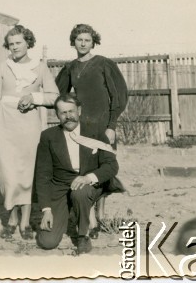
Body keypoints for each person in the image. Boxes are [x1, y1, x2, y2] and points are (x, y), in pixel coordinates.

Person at [0, 25, 59, 240]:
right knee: (8, 174)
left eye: (18, 42)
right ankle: (12, 217)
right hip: (4, 125)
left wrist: (34, 98)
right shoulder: (3, 67)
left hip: (30, 126)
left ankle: (25, 221)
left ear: (28, 42)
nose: (15, 47)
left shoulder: (40, 67)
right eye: (11, 44)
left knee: (27, 173)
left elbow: (54, 96)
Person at [55, 24, 128, 238]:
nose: (83, 43)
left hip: (103, 125)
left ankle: (102, 213)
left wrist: (111, 125)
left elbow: (120, 96)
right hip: (82, 126)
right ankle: (90, 218)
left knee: (103, 166)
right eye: (79, 39)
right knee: (84, 169)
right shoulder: (70, 68)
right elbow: (58, 94)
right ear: (73, 42)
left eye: (87, 39)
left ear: (93, 42)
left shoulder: (104, 64)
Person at [35, 93, 119, 254]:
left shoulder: (95, 132)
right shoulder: (48, 137)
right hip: (60, 187)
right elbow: (42, 175)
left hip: (88, 185)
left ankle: (83, 236)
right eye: (63, 113)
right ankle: (74, 211)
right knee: (47, 242)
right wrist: (46, 210)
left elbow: (111, 165)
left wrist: (88, 178)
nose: (68, 117)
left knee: (80, 193)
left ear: (79, 110)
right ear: (57, 115)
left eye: (71, 111)